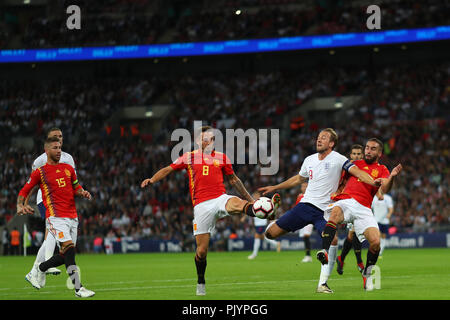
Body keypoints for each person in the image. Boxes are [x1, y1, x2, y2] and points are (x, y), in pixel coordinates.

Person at [141, 126, 281, 296]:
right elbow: (168, 169)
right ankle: (201, 281)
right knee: (201, 252)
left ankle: (261, 210)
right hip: (201, 206)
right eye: (204, 138)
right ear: (198, 141)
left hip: (220, 198)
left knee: (237, 203)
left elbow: (234, 180)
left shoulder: (222, 158)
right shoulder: (189, 157)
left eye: (210, 138)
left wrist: (251, 200)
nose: (207, 141)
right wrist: (152, 179)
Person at [259, 128, 381, 294]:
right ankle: (272, 214)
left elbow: (357, 171)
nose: (319, 140)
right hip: (305, 206)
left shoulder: (339, 159)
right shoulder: (309, 159)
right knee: (270, 234)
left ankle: (322, 284)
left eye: (324, 138)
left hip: (325, 210)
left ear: (331, 143)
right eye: (318, 137)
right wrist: (276, 186)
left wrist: (373, 182)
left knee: (333, 240)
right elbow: (298, 178)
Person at [317, 138, 402, 291]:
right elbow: (340, 181)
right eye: (367, 148)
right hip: (347, 201)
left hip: (364, 208)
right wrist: (335, 191)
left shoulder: (382, 169)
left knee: (376, 243)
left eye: (373, 148)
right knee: (335, 214)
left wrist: (392, 177)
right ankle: (324, 251)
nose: (368, 151)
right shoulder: (354, 165)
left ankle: (367, 275)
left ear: (379, 153)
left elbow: (386, 188)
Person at [17, 136, 95, 298]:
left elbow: (76, 187)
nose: (59, 150)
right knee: (70, 250)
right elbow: (25, 190)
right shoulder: (40, 172)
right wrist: (20, 204)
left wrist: (83, 192)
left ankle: (40, 268)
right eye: (55, 148)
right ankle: (78, 289)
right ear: (46, 151)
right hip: (55, 217)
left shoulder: (68, 168)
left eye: (59, 147)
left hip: (72, 216)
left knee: (64, 255)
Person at [25, 128, 76, 277]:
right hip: (45, 199)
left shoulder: (68, 158)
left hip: (64, 202)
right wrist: (25, 203)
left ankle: (37, 269)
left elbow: (73, 181)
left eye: (60, 136)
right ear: (48, 141)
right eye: (55, 136)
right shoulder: (40, 160)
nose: (59, 138)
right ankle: (45, 265)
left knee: (55, 238)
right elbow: (32, 183)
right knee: (52, 234)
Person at [335, 144, 365, 275]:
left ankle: (341, 258)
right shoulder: (347, 169)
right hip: (349, 203)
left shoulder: (365, 168)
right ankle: (359, 262)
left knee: (351, 235)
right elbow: (340, 183)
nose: (357, 156)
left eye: (359, 154)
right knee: (355, 232)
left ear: (362, 156)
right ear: (350, 156)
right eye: (354, 154)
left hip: (363, 203)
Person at [246, 192, 281, 260]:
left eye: (256, 195)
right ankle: (276, 244)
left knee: (257, 236)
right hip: (257, 223)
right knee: (262, 237)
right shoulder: (254, 203)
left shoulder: (263, 201)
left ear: (259, 195)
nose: (254, 196)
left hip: (261, 223)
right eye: (254, 195)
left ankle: (254, 254)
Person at [372, 193, 394, 258]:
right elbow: (370, 207)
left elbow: (391, 208)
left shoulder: (387, 198)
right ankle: (375, 251)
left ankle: (380, 252)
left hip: (385, 221)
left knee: (383, 237)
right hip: (376, 220)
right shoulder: (373, 198)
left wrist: (389, 214)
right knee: (377, 236)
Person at [295, 182, 313, 263]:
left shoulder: (311, 195)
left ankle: (308, 256)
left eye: (306, 186)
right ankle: (307, 255)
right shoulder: (299, 196)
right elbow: (297, 208)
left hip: (309, 218)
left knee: (306, 236)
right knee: (305, 237)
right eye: (303, 186)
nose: (304, 187)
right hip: (302, 219)